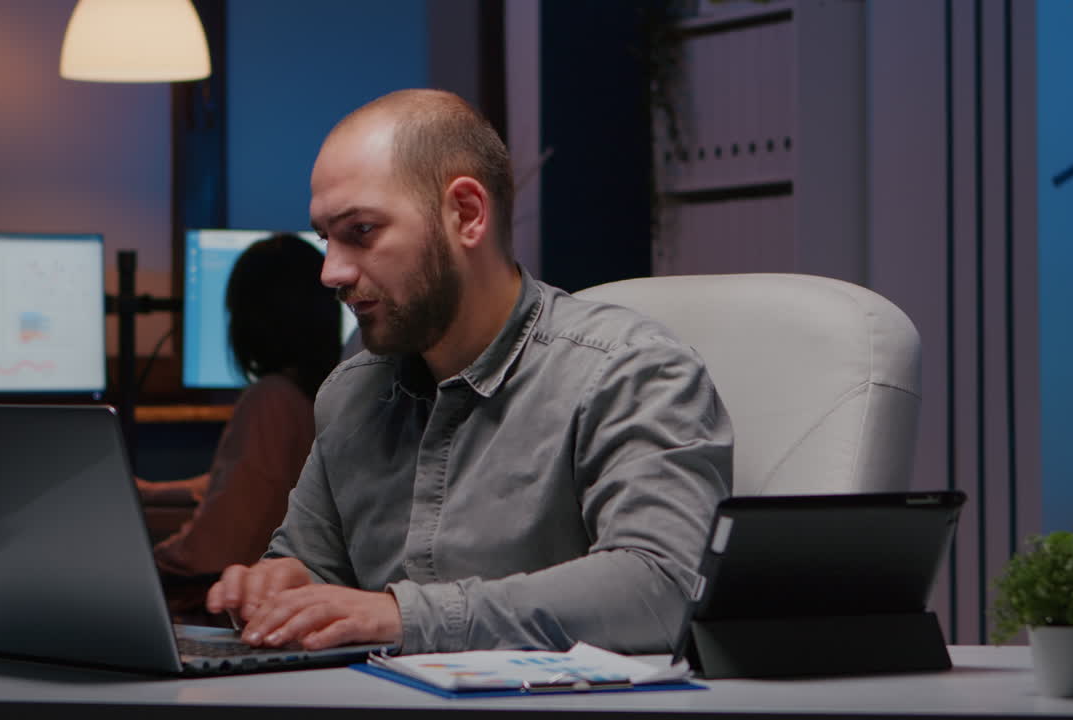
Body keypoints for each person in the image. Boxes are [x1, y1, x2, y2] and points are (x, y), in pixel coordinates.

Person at [205, 89, 733, 655]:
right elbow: (313, 566)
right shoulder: (351, 392)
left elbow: (661, 588)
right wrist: (283, 585)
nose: (330, 272)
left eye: (360, 232)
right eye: (324, 239)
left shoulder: (629, 370)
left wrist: (403, 617)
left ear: (467, 214)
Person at [137, 233, 342, 618]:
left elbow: (217, 546)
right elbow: (256, 480)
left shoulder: (271, 399)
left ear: (252, 320)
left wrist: (142, 563)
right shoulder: (322, 391)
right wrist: (157, 492)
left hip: (222, 605)